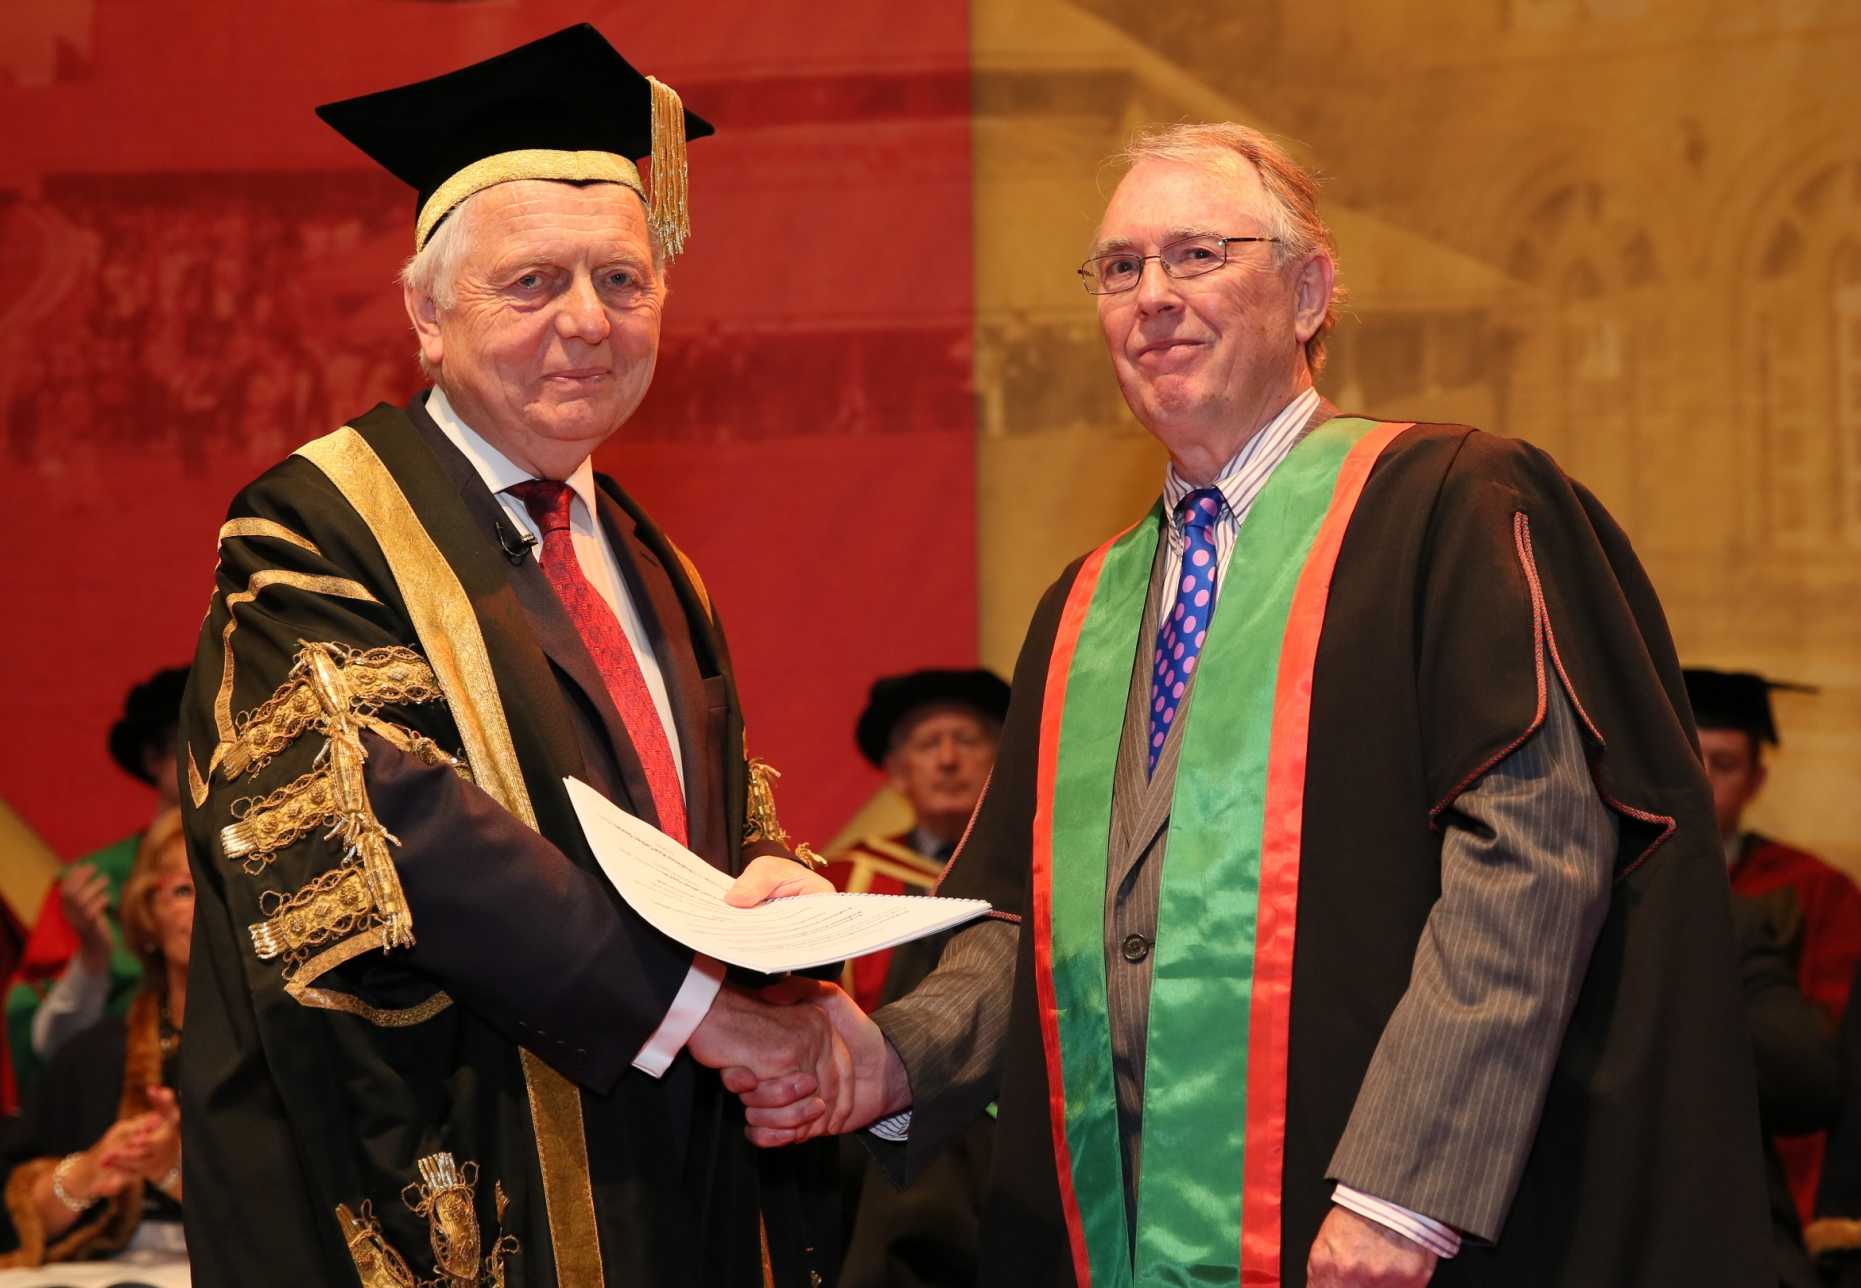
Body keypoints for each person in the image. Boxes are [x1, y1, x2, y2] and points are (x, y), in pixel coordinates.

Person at [733, 122, 1770, 1286]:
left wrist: (1401, 1193)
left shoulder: (1446, 508)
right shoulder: (1084, 607)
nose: (1152, 298)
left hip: (1378, 1233)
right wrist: (889, 1056)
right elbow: (1019, 926)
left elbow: (1530, 860)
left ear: (1311, 288)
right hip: (1118, 1235)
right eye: (1119, 269)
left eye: (1197, 255)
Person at [176, 26, 847, 1287]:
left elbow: (709, 811)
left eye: (623, 281)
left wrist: (776, 888)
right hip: (450, 1161)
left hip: (661, 1161)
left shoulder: (647, 557)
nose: (585, 323)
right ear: (426, 315)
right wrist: (707, 1014)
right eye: (531, 284)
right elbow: (395, 824)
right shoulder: (312, 523)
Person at [827, 668, 1007, 1287]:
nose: (950, 760)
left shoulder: (1043, 872)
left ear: (1000, 758)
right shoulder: (849, 879)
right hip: (873, 1153)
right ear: (898, 772)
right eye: (929, 745)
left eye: (967, 739)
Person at [1687, 666, 1861, 1219]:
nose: (1703, 778)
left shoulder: (1817, 891)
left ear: (1758, 781)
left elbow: (1830, 1050)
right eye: (1690, 757)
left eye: (1726, 765)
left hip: (1773, 1171)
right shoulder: (1610, 884)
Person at [0, 807, 190, 1267]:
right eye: (184, 890)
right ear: (148, 915)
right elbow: (13, 1217)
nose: (205, 907)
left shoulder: (284, 1051)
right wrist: (84, 1175)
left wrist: (175, 1172)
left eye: (221, 889)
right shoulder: (93, 1057)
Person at [5, 665, 187, 1107]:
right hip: (111, 1109)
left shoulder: (269, 872)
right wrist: (91, 961)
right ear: (153, 759)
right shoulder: (95, 884)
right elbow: (44, 1050)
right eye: (194, 741)